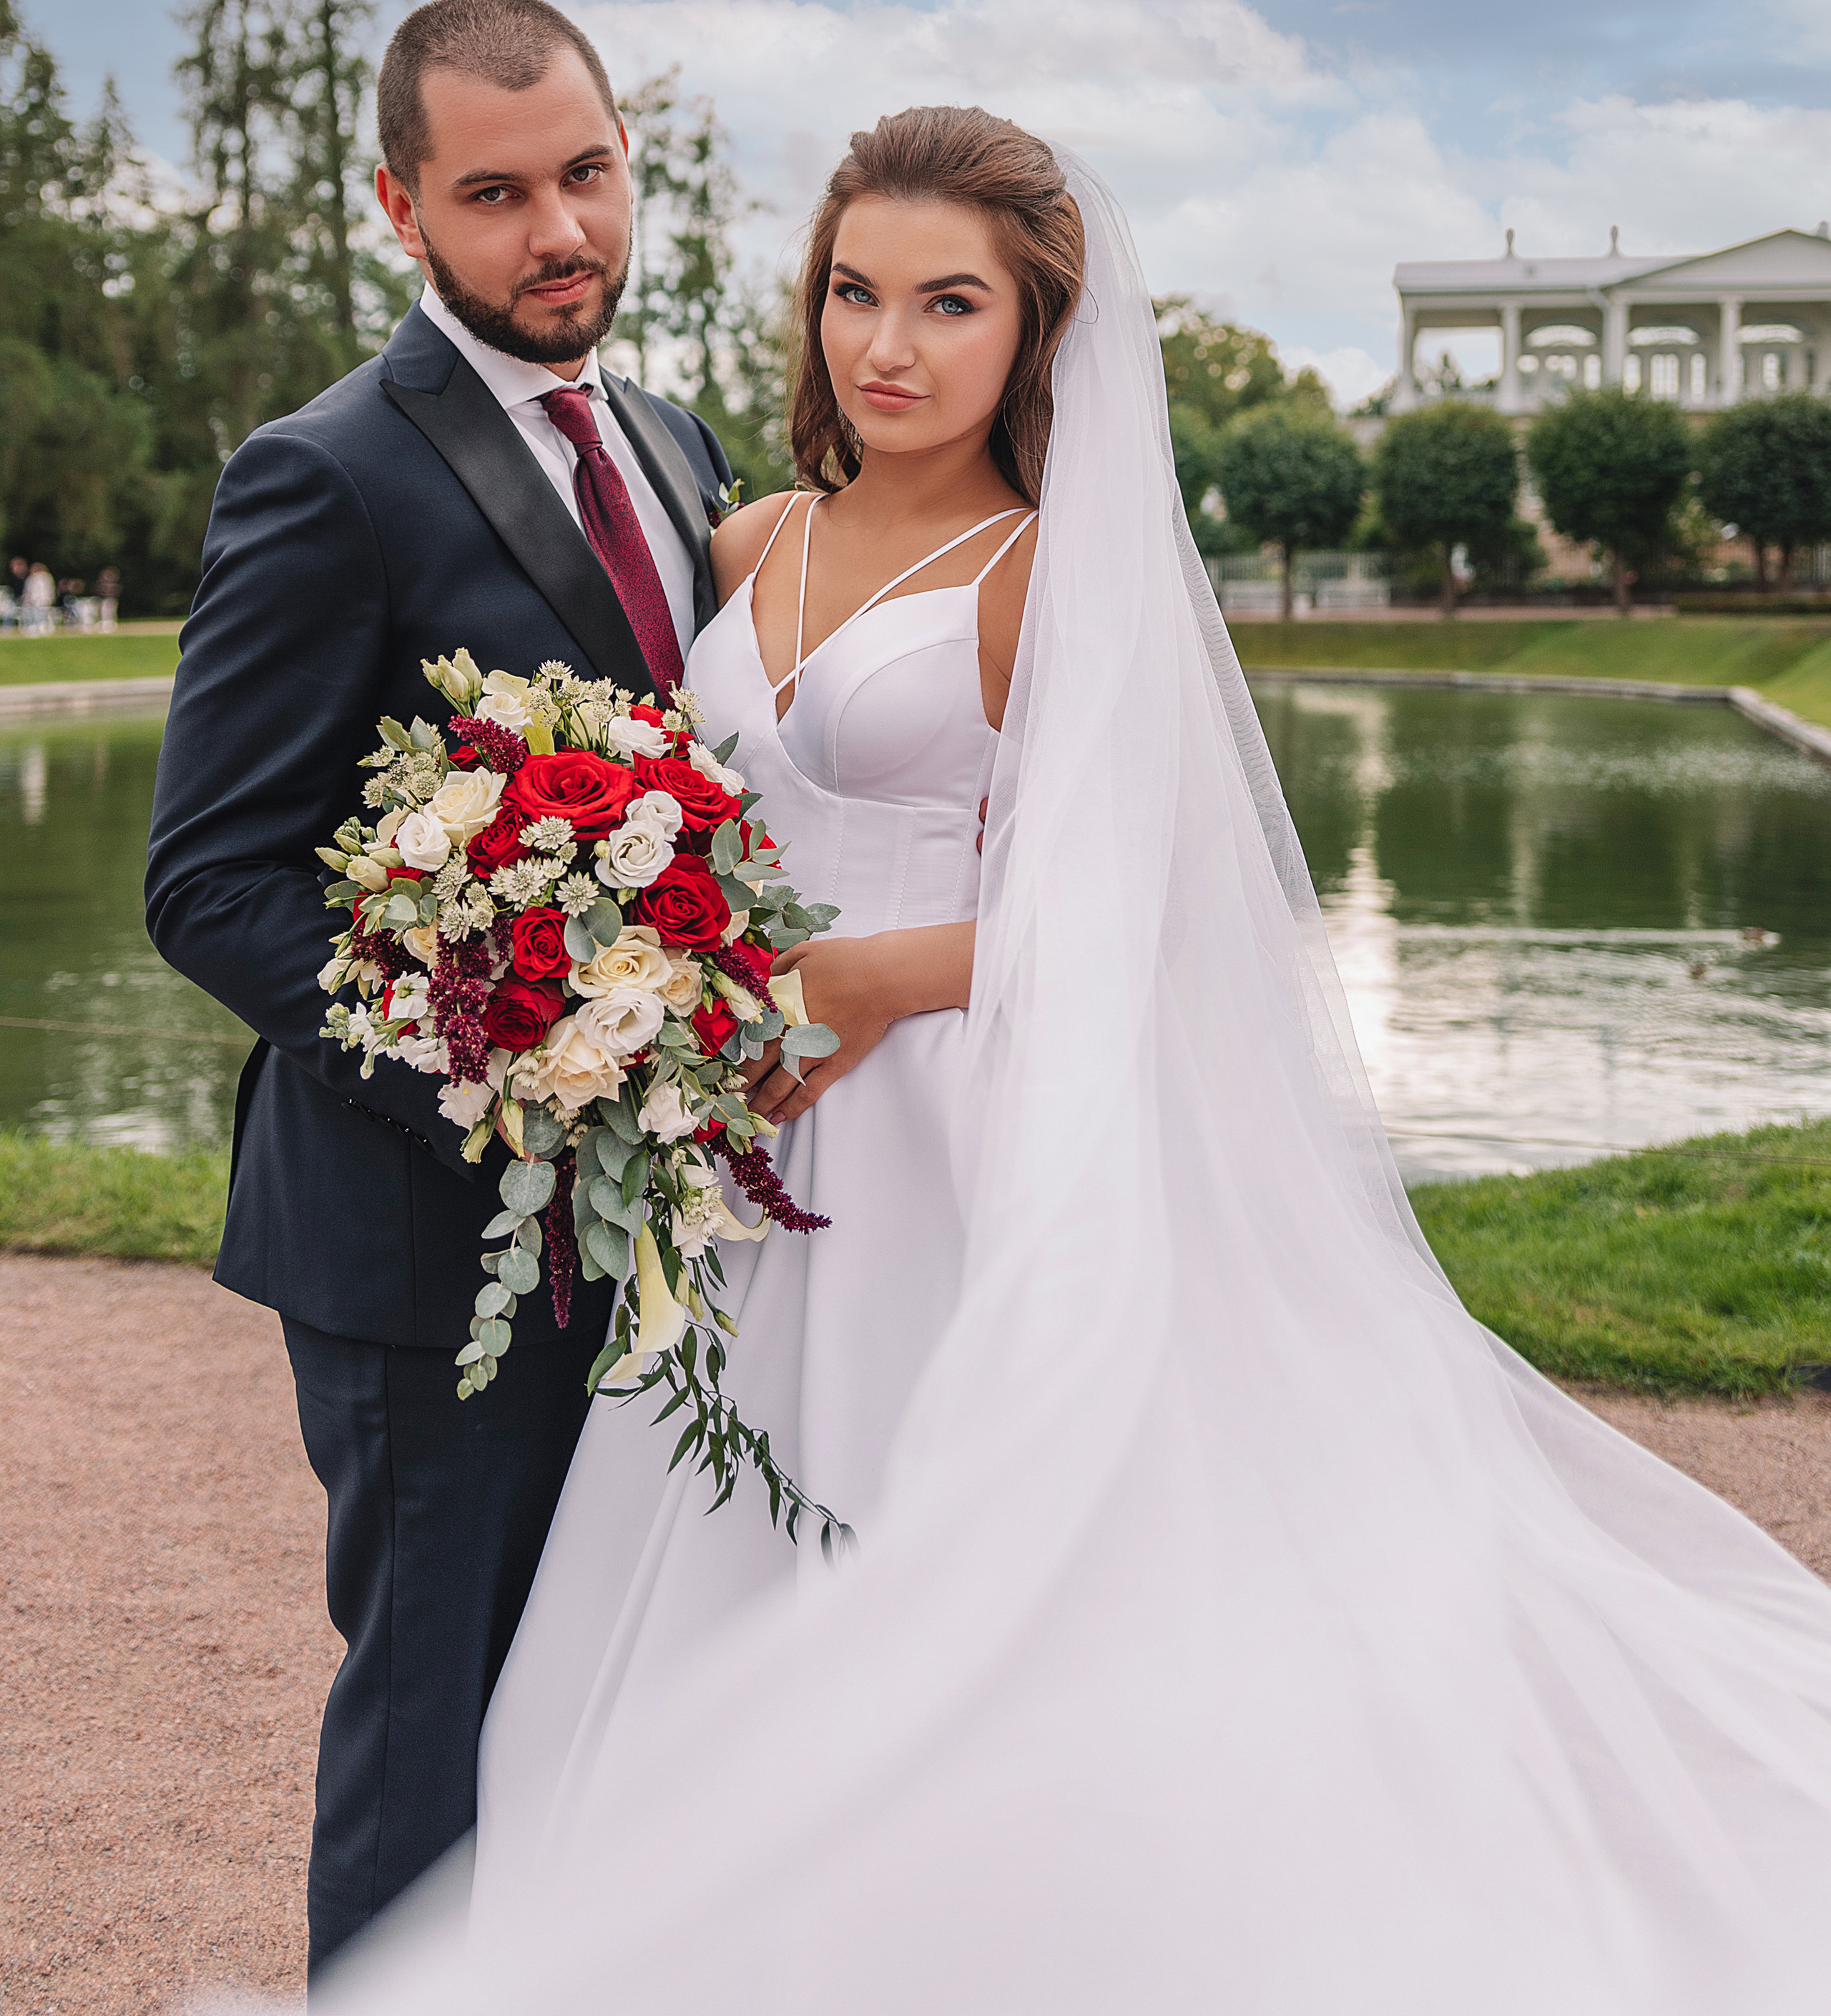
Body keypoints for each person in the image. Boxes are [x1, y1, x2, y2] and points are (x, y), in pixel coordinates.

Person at [315, 112, 1831, 2016]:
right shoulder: (742, 539)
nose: (891, 343)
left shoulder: (1044, 573)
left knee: (974, 1565)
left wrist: (881, 978)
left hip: (961, 1119)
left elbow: (1166, 915)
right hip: (759, 1149)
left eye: (951, 303)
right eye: (856, 291)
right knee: (726, 1559)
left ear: (1034, 334)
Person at [146, 0, 732, 1980]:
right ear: (402, 205)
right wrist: (502, 1073)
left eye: (583, 172)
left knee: (615, 1698)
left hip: (647, 1216)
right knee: (435, 1730)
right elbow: (210, 878)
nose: (556, 229)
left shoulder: (673, 442)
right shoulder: (321, 475)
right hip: (417, 1232)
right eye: (495, 194)